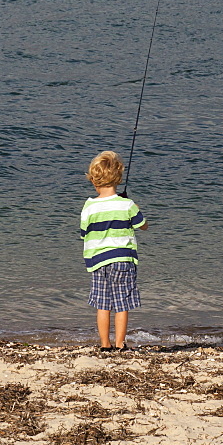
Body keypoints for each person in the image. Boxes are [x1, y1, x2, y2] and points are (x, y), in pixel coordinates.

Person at [80, 150, 147, 355]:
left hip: (98, 261)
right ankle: (120, 344)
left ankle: (104, 344)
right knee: (122, 303)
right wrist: (132, 205)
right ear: (118, 178)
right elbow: (142, 225)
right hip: (122, 261)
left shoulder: (89, 206)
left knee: (102, 303)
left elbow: (84, 233)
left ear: (93, 180)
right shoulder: (126, 204)